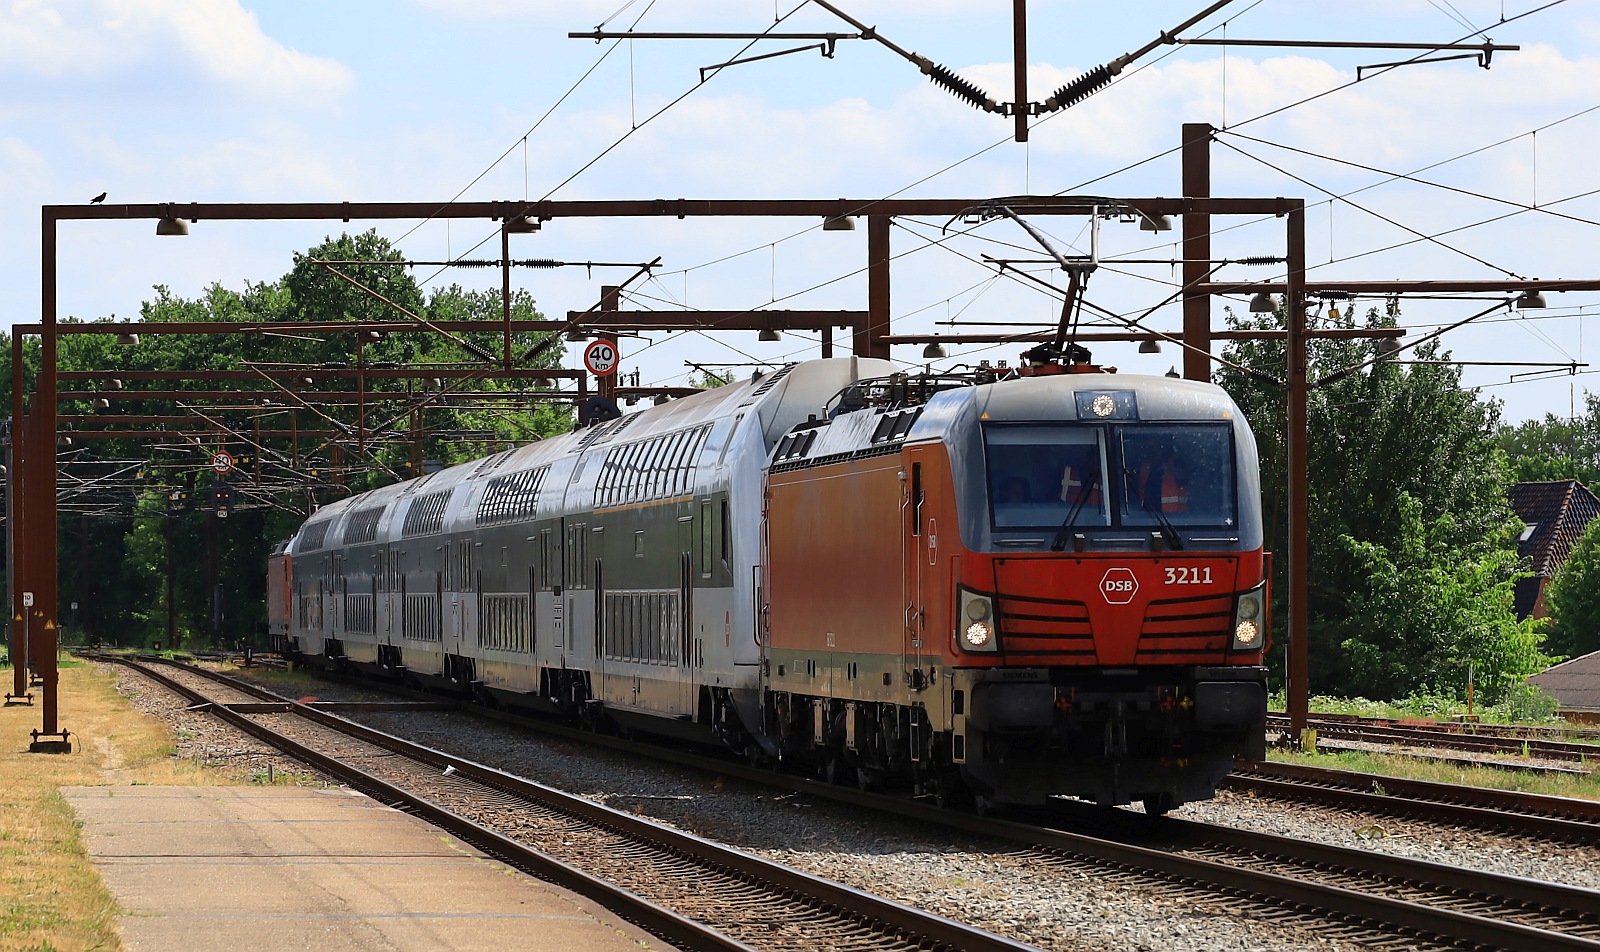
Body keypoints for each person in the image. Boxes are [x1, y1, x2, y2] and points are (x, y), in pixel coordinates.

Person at [1137, 443, 1190, 514]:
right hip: (1147, 519)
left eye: (1159, 448)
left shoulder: (1178, 463)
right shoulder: (1145, 468)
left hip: (1176, 519)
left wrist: (1169, 468)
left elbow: (1183, 477)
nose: (1155, 451)